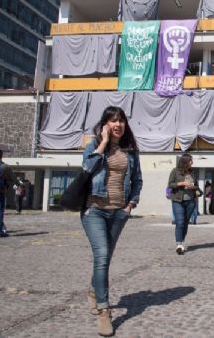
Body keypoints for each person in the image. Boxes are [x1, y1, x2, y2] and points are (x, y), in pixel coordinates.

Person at [81, 106, 142, 337]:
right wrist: (103, 143)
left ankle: (93, 291)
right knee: (103, 256)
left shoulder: (131, 151)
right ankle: (104, 311)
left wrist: (130, 205)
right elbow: (87, 167)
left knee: (105, 257)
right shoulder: (94, 144)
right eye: (113, 121)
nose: (118, 124)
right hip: (94, 210)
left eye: (121, 120)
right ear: (105, 124)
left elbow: (137, 180)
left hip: (119, 212)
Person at [167, 154, 199, 255]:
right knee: (179, 222)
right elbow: (170, 184)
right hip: (177, 200)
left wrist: (193, 187)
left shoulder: (192, 172)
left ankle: (181, 239)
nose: (192, 162)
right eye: (190, 161)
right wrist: (181, 184)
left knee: (185, 222)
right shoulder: (175, 171)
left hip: (190, 201)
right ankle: (179, 244)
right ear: (185, 162)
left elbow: (196, 186)